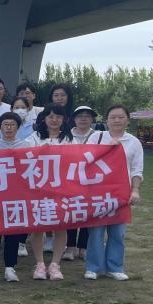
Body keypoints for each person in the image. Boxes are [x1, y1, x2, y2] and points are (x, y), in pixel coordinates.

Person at [84, 105, 143, 280]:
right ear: (107, 120)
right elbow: (85, 160)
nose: (117, 120)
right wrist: (107, 149)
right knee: (96, 231)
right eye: (113, 117)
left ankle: (115, 267)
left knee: (118, 232)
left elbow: (137, 169)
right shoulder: (96, 137)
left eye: (121, 117)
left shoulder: (133, 142)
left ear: (128, 120)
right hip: (97, 191)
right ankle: (94, 267)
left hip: (121, 193)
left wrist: (135, 190)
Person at [24, 104, 73, 280]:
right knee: (38, 227)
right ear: (44, 118)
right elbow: (25, 160)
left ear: (64, 119)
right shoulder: (33, 138)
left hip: (62, 188)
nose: (54, 120)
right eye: (50, 116)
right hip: (38, 188)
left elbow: (76, 161)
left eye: (58, 117)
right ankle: (39, 263)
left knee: (61, 226)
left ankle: (55, 264)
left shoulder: (70, 139)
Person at [0, 111, 29, 282]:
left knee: (13, 232)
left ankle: (10, 267)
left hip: (17, 196)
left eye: (12, 124)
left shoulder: (26, 146)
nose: (9, 128)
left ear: (18, 127)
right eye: (5, 124)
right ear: (0, 127)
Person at [64, 105, 98, 261]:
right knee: (72, 212)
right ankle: (70, 246)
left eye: (87, 116)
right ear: (74, 119)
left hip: (92, 180)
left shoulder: (99, 136)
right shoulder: (66, 136)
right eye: (80, 116)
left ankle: (83, 247)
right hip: (70, 179)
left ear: (92, 119)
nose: (83, 119)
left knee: (88, 213)